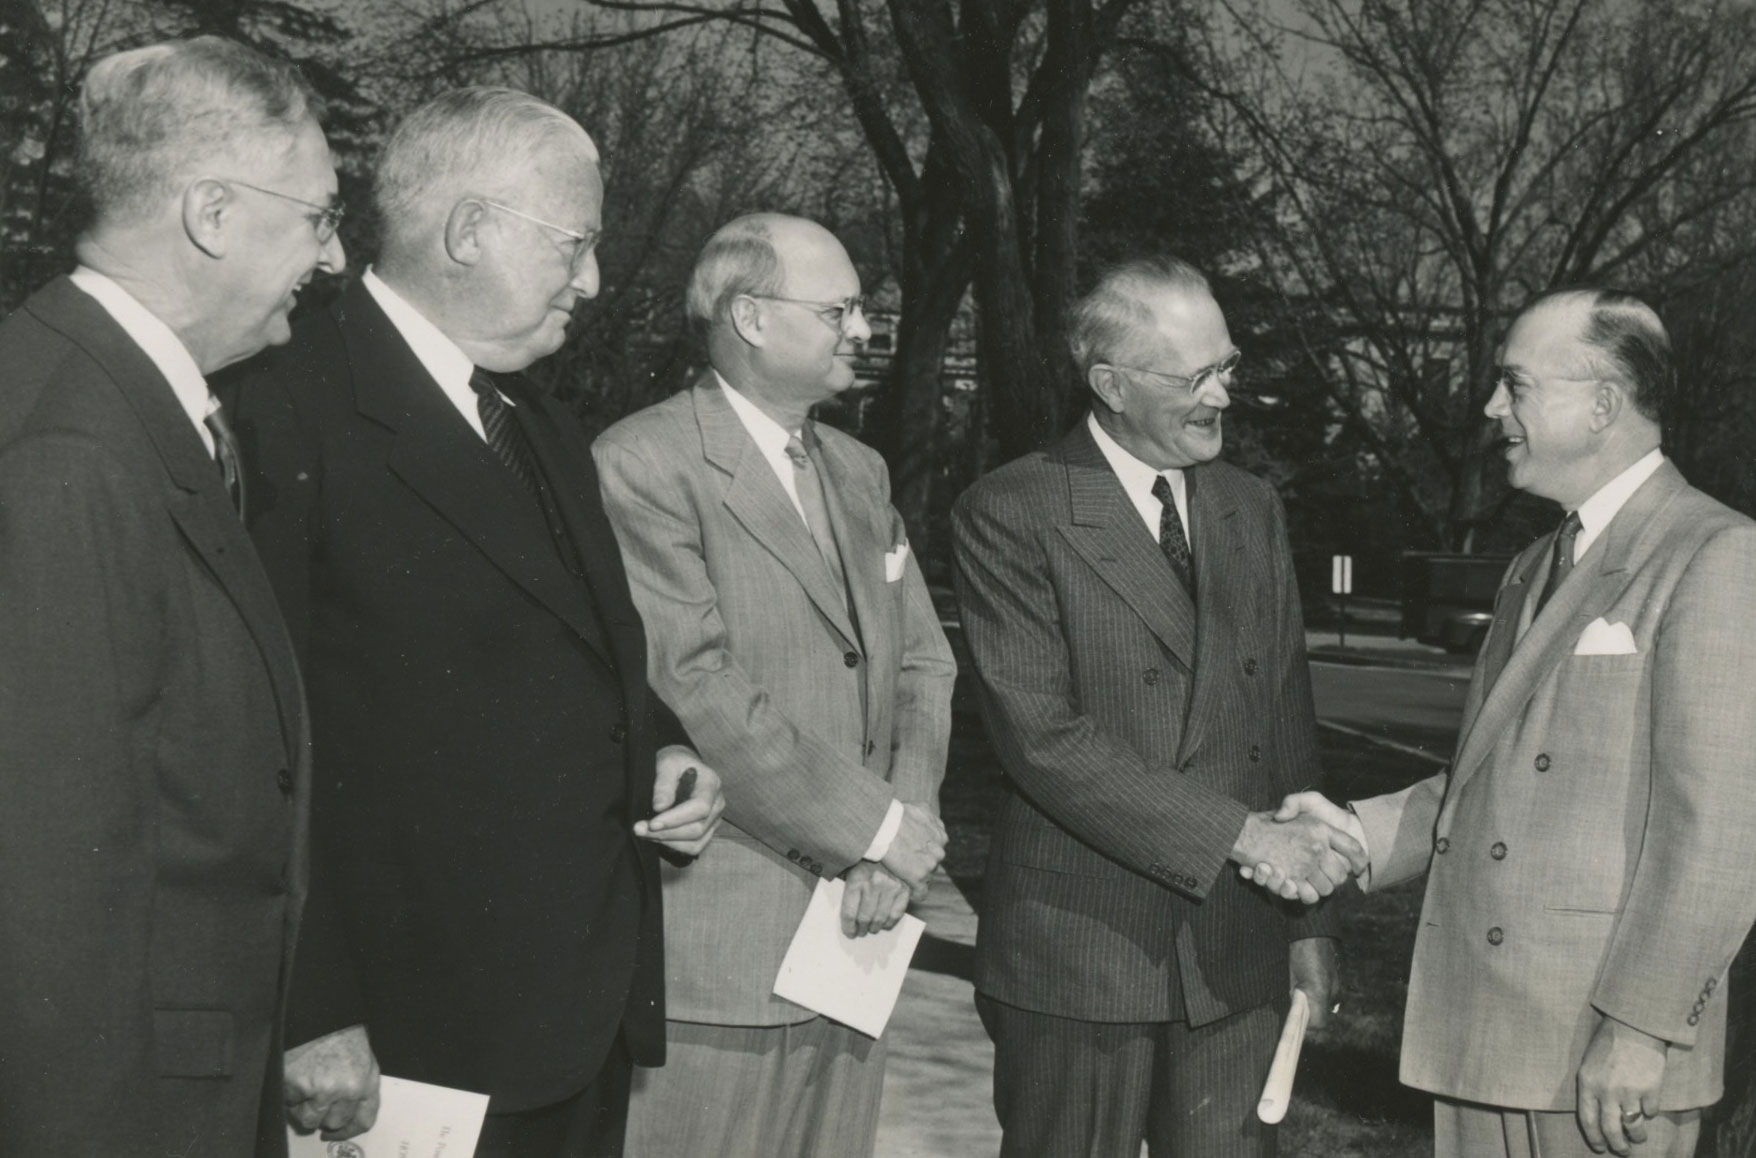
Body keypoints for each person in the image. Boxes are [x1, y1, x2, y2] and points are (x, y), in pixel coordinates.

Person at [224, 87, 724, 1158]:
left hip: (574, 1025)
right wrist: (308, 1007)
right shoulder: (283, 404)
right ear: (469, 230)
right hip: (404, 1050)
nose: (591, 282)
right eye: (575, 245)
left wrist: (669, 750)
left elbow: (574, 653)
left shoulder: (534, 415)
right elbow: (242, 743)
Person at [1265, 289, 1756, 1158]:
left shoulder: (1716, 556)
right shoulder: (1534, 565)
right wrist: (1356, 832)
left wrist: (1643, 1032)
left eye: (1515, 385)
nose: (1494, 409)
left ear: (1601, 403)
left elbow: (1722, 834)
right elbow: (1493, 769)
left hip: (1602, 1060)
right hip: (1485, 1034)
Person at [0, 37, 342, 1157]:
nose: (332, 259)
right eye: (318, 217)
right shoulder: (72, 453)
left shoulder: (119, 397)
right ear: (212, 212)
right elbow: (48, 898)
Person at [949, 255, 1363, 1158]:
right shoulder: (1012, 509)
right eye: (1196, 377)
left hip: (1239, 952)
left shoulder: (1250, 508)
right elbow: (1044, 742)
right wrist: (1244, 837)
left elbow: (1287, 726)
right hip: (1081, 957)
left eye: (1230, 366)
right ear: (1112, 385)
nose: (1224, 395)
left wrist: (1310, 925)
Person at [592, 213, 956, 1158]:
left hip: (860, 935)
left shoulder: (861, 471)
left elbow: (923, 662)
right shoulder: (643, 462)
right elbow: (697, 684)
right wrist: (874, 832)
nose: (864, 330)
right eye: (840, 308)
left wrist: (896, 844)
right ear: (750, 317)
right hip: (722, 952)